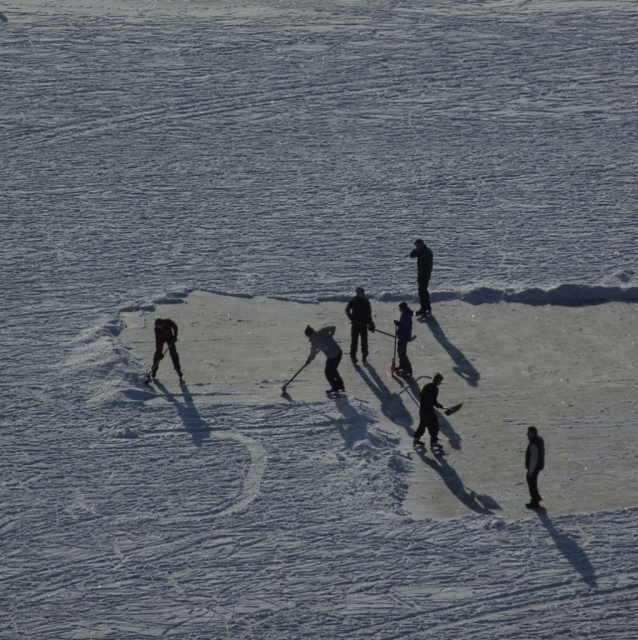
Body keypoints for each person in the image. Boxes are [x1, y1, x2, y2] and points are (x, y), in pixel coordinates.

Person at [305, 325, 345, 395]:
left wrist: (308, 360)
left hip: (332, 357)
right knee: (333, 370)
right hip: (338, 352)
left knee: (328, 372)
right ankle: (340, 386)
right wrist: (330, 336)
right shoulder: (322, 331)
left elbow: (313, 354)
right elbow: (333, 328)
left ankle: (336, 387)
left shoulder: (314, 343)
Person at [413, 373, 446, 448]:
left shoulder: (427, 385)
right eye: (440, 381)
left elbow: (420, 395)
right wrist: (439, 406)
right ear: (438, 380)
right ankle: (434, 442)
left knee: (423, 425)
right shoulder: (435, 388)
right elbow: (433, 401)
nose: (440, 383)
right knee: (434, 425)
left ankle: (416, 439)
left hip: (422, 409)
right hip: (429, 411)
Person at [345, 287, 375, 365]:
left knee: (364, 341)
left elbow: (368, 314)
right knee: (354, 341)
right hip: (355, 325)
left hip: (363, 325)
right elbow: (347, 310)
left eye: (363, 292)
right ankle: (353, 356)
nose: (363, 294)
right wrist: (351, 318)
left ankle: (364, 355)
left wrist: (371, 324)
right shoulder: (353, 301)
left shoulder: (366, 301)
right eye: (361, 293)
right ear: (358, 293)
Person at [409, 238, 433, 317]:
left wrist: (427, 276)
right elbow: (411, 255)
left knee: (422, 292)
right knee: (423, 292)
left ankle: (424, 308)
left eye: (418, 245)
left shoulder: (427, 252)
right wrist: (416, 251)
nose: (417, 247)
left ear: (422, 244)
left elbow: (429, 265)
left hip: (425, 275)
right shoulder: (420, 252)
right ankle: (426, 307)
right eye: (416, 246)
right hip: (420, 274)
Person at [525, 426, 545, 509]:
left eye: (529, 433)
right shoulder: (538, 441)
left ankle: (535, 501)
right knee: (533, 483)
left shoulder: (533, 444)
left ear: (533, 434)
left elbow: (533, 459)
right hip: (538, 466)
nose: (527, 434)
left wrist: (531, 471)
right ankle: (536, 497)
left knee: (531, 483)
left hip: (534, 468)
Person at [393, 301, 414, 376]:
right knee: (399, 351)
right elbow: (402, 325)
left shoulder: (406, 316)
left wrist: (401, 340)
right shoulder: (405, 314)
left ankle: (408, 369)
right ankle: (402, 365)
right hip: (402, 337)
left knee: (403, 353)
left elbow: (405, 330)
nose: (399, 310)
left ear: (403, 308)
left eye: (400, 308)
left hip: (403, 338)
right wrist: (398, 323)